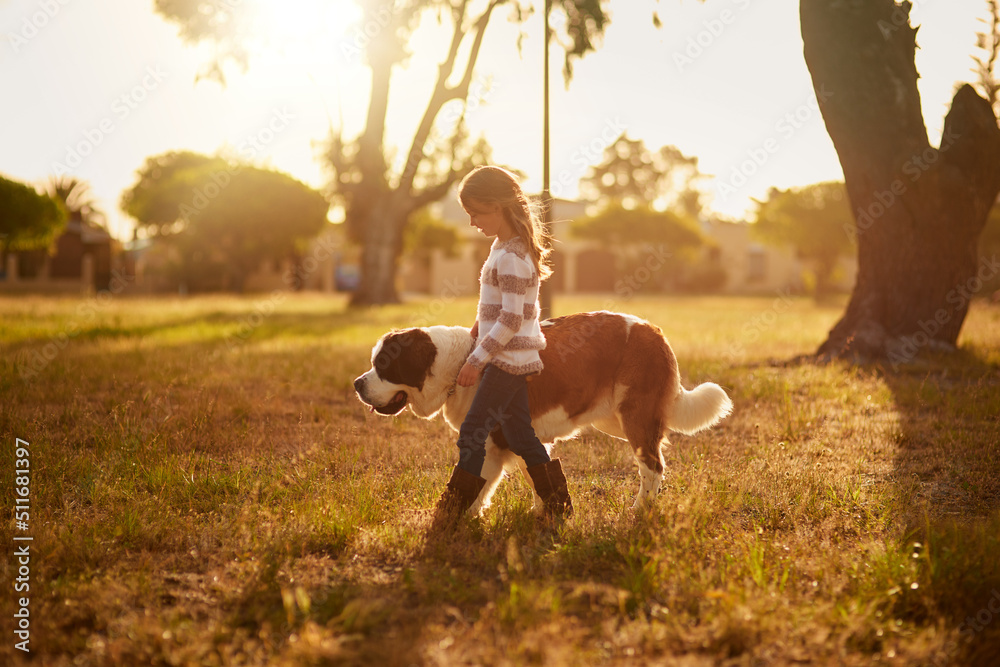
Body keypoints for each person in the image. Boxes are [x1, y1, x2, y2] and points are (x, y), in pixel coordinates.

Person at [433, 165, 572, 527]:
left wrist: (476, 361)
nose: (472, 222)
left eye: (476, 213)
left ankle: (453, 511)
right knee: (520, 435)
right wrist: (477, 329)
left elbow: (511, 320)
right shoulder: (503, 247)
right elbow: (499, 310)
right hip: (509, 356)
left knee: (472, 431)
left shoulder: (511, 256)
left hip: (507, 361)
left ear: (498, 207)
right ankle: (558, 504)